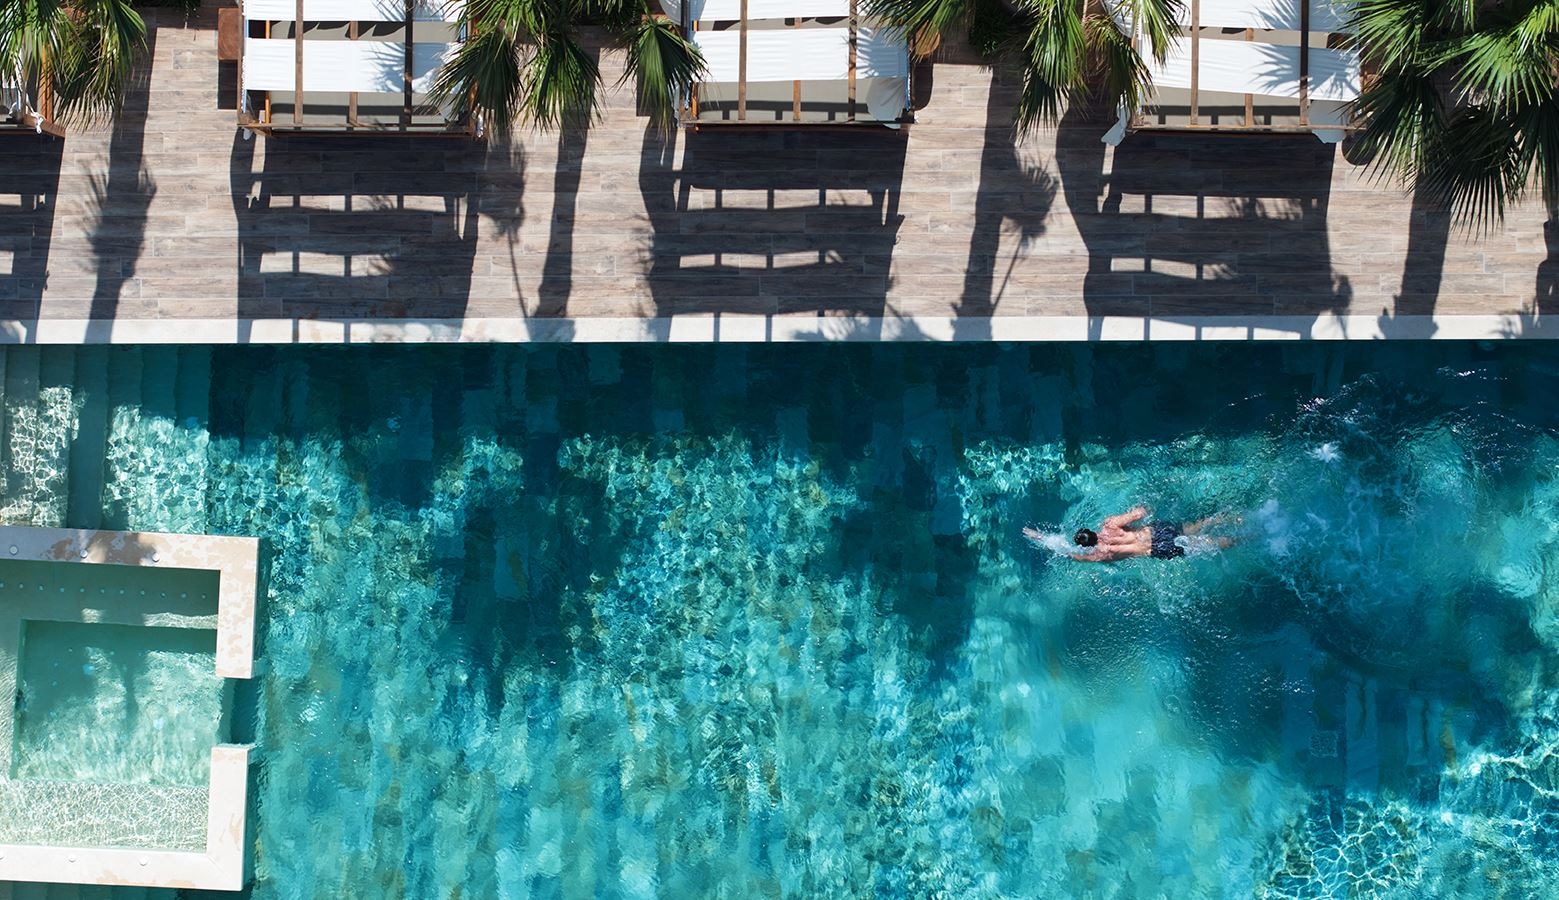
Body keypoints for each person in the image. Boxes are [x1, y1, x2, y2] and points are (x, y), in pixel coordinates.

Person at [1023, 506, 1232, 563]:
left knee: (1207, 545)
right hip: (1156, 531)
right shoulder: (1110, 525)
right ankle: (1232, 518)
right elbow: (1142, 511)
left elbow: (1069, 553)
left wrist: (1041, 538)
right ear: (1090, 530)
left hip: (1156, 550)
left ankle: (1244, 538)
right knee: (1196, 526)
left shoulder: (1101, 554)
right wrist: (1140, 510)